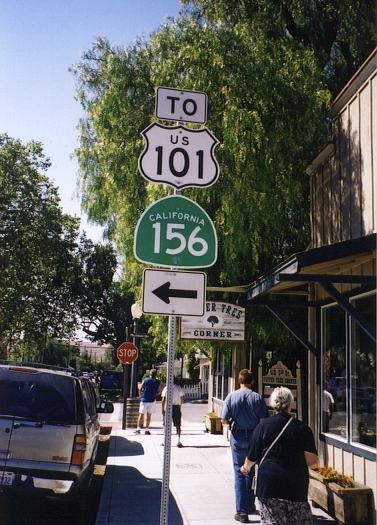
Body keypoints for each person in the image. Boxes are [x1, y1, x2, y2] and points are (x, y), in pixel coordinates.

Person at [241, 386, 318, 525]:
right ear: (290, 404)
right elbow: (312, 461)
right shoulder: (302, 428)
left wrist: (245, 469)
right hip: (296, 486)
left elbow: (251, 456)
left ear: (273, 404)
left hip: (269, 487)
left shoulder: (262, 426)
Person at [221, 369, 269, 524]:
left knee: (239, 472)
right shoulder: (257, 398)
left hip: (238, 436)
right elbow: (264, 421)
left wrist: (233, 422)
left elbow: (224, 420)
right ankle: (249, 505)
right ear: (252, 381)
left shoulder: (231, 397)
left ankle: (241, 512)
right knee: (251, 470)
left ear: (239, 380)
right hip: (254, 437)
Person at [135, 369, 161, 435]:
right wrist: (155, 394)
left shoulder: (145, 380)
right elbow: (159, 391)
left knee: (141, 414)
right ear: (156, 374)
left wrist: (140, 396)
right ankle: (147, 429)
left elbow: (140, 388)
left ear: (150, 374)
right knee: (149, 415)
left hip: (144, 399)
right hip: (152, 400)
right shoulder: (157, 381)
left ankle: (138, 429)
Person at [161, 377, 185, 447]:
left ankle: (164, 441)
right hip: (176, 407)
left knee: (166, 425)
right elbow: (182, 399)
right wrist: (180, 407)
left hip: (168, 407)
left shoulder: (166, 388)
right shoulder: (178, 388)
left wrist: (162, 409)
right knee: (178, 425)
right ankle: (178, 441)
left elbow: (163, 400)